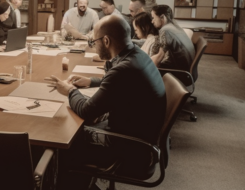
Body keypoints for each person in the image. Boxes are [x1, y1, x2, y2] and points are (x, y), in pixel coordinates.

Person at [47, 14, 166, 172]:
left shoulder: (123, 70)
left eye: (94, 42)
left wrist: (69, 90)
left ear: (106, 41)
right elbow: (121, 84)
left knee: (63, 132)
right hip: (140, 135)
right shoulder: (137, 55)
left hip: (131, 148)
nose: (94, 46)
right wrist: (91, 81)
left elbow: (86, 111)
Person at [151, 5, 196, 77]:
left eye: (153, 18)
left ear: (162, 17)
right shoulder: (175, 26)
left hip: (180, 74)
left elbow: (159, 56)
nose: (152, 21)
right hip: (187, 71)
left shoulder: (165, 30)